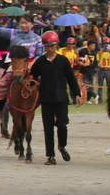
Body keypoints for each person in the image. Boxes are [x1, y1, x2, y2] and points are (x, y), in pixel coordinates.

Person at [28, 30, 80, 164]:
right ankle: (50, 156)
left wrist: (77, 94)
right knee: (48, 128)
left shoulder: (63, 61)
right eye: (47, 46)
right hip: (46, 99)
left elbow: (71, 79)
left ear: (57, 45)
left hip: (61, 98)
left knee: (62, 125)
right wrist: (28, 82)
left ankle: (62, 146)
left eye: (52, 45)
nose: (50, 48)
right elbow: (32, 77)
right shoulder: (40, 62)